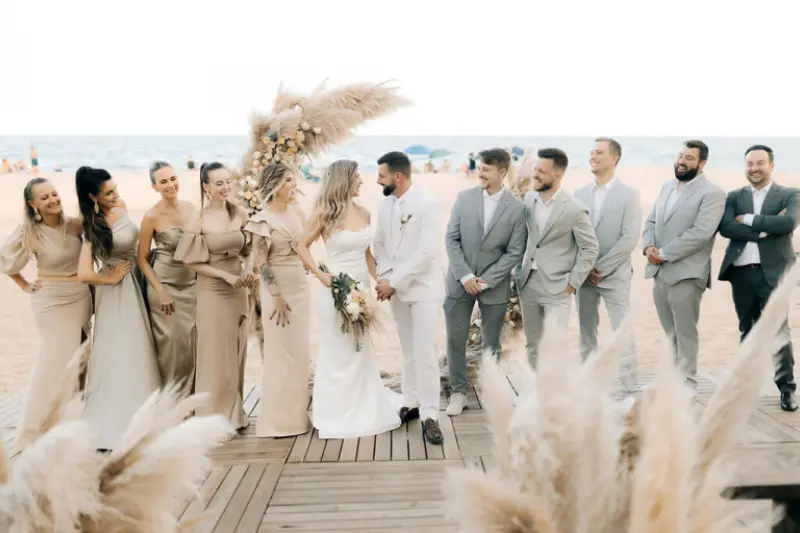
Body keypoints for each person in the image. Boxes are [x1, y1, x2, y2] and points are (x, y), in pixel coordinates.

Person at [296, 160, 402, 439]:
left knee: (359, 347)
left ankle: (362, 403)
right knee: (337, 349)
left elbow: (366, 254)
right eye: (357, 177)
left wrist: (379, 279)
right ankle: (335, 410)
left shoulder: (364, 213)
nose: (362, 181)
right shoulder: (325, 214)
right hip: (334, 289)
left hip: (361, 289)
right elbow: (301, 246)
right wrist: (321, 276)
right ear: (344, 180)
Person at [0, 178, 92, 447]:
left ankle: (68, 423)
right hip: (50, 302)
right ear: (32, 204)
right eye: (44, 197)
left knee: (79, 359)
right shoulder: (29, 232)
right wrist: (26, 285)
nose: (52, 199)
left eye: (54, 193)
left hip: (80, 298)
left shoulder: (75, 225)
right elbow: (6, 262)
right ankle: (31, 432)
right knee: (51, 363)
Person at [75, 166, 161, 451]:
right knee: (120, 348)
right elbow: (84, 273)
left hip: (135, 281)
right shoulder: (91, 224)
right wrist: (110, 277)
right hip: (114, 292)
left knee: (140, 347)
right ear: (93, 196)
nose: (116, 195)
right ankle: (116, 423)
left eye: (115, 189)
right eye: (108, 193)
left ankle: (146, 418)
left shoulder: (121, 206)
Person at [443, 148, 527, 416]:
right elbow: (451, 239)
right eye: (479, 167)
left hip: (494, 285)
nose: (480, 172)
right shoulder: (463, 198)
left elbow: (515, 252)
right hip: (459, 281)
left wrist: (487, 280)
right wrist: (465, 275)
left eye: (486, 169)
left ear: (502, 172)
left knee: (491, 342)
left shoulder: (517, 208)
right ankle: (458, 392)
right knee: (455, 339)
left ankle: (490, 389)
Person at [175, 162, 257, 432]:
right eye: (218, 183)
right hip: (213, 290)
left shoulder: (241, 213)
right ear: (206, 187)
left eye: (228, 181)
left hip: (239, 289)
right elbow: (189, 261)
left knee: (236, 352)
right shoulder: (199, 217)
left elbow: (249, 250)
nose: (225, 187)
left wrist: (247, 269)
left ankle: (234, 414)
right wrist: (225, 276)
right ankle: (211, 420)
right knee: (214, 355)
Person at [718, 144, 799, 411]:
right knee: (747, 331)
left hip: (774, 274)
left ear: (771, 165)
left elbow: (788, 224)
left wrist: (749, 219)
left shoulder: (790, 194)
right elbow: (727, 228)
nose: (754, 168)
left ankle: (787, 389)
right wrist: (764, 229)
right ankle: (744, 388)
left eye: (760, 163)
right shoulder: (733, 196)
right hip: (741, 272)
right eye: (750, 164)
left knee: (779, 332)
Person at [374, 151, 445, 445]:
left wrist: (395, 281)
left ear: (398, 176)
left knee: (426, 352)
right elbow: (380, 244)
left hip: (425, 289)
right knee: (408, 350)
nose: (378, 180)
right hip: (396, 289)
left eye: (382, 175)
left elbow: (426, 253)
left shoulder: (428, 205)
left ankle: (431, 415)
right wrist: (383, 277)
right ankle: (411, 403)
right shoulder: (385, 204)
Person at [642, 140, 725, 386]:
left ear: (702, 164)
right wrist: (648, 247)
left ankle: (687, 384)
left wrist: (664, 253)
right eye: (680, 155)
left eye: (689, 157)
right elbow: (651, 222)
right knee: (669, 333)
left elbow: (701, 232)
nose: (682, 161)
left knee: (685, 333)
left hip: (687, 274)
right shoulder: (667, 187)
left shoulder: (713, 193)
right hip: (659, 272)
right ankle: (672, 380)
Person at [245, 163, 312, 437]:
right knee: (279, 354)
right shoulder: (262, 219)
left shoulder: (298, 213)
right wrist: (276, 297)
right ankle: (276, 422)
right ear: (273, 185)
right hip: (278, 292)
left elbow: (304, 247)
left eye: (293, 180)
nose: (293, 185)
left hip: (301, 288)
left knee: (298, 353)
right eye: (287, 181)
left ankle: (297, 418)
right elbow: (261, 263)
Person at [516, 148, 599, 366]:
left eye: (542, 171)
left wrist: (573, 282)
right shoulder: (528, 199)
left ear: (558, 176)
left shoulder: (574, 209)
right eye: (536, 169)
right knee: (533, 344)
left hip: (558, 286)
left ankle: (556, 393)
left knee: (555, 345)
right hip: (527, 283)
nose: (536, 174)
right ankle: (537, 392)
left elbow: (590, 248)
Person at [574, 137, 641, 391]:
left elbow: (629, 237)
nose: (593, 156)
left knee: (622, 333)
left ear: (614, 158)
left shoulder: (629, 194)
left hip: (615, 276)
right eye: (591, 152)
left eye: (599, 152)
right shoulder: (579, 194)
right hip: (584, 275)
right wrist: (586, 267)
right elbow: (575, 236)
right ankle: (589, 387)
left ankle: (630, 388)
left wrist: (600, 268)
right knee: (586, 334)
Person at [137, 161, 197, 392]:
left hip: (191, 284)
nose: (170, 185)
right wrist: (160, 290)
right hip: (165, 287)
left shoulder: (191, 208)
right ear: (154, 187)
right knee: (171, 347)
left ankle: (191, 404)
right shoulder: (151, 217)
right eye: (163, 181)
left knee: (192, 345)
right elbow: (142, 258)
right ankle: (170, 402)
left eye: (173, 178)